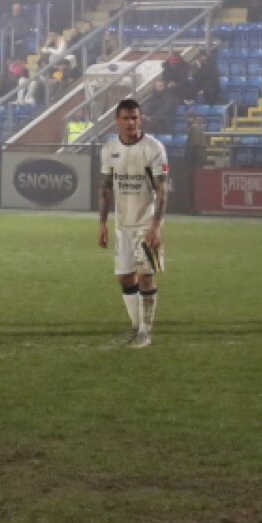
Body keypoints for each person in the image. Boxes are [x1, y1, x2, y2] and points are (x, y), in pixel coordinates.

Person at [98, 98, 169, 349]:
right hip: (122, 224)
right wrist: (102, 224)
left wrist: (156, 225)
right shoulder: (109, 149)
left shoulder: (153, 148)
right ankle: (136, 327)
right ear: (117, 120)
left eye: (135, 118)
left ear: (141, 119)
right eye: (126, 118)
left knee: (146, 277)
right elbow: (106, 187)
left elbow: (162, 189)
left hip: (145, 223)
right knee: (125, 278)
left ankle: (145, 332)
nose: (131, 123)